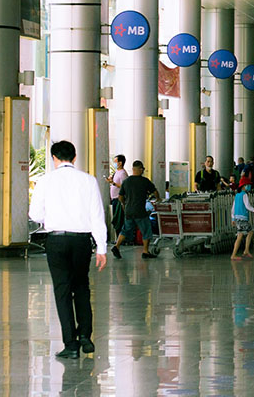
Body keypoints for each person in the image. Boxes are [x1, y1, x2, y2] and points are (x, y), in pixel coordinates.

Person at [28, 140, 107, 359]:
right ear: (74, 157)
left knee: (62, 291)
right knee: (81, 287)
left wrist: (51, 218)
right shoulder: (88, 181)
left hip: (56, 240)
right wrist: (102, 248)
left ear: (54, 158)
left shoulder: (45, 181)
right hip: (82, 240)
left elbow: (34, 215)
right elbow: (97, 216)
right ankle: (86, 337)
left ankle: (70, 345)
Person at [110, 160, 159, 260]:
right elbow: (155, 192)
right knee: (146, 230)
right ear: (140, 169)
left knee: (125, 230)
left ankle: (116, 246)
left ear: (133, 169)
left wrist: (124, 204)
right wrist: (158, 199)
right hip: (140, 211)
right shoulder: (144, 181)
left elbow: (120, 197)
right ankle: (145, 251)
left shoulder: (126, 181)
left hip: (129, 210)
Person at [231, 183, 254, 259]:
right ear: (243, 186)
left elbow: (233, 208)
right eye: (247, 185)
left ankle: (244, 251)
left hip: (237, 218)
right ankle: (237, 254)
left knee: (245, 233)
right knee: (245, 233)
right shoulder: (244, 194)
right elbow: (248, 206)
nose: (249, 186)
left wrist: (233, 218)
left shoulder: (237, 195)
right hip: (242, 218)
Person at [106, 154, 127, 238]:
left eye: (115, 162)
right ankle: (118, 237)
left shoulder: (122, 173)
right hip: (114, 198)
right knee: (116, 218)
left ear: (120, 163)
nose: (114, 163)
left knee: (119, 219)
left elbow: (124, 186)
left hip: (119, 199)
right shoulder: (116, 172)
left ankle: (120, 238)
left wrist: (113, 183)